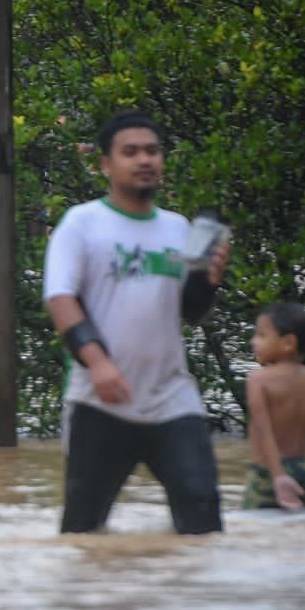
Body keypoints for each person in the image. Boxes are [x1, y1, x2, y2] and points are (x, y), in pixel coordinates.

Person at [43, 110, 231, 534]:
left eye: (152, 151)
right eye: (130, 152)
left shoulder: (178, 228)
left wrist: (209, 281)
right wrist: (99, 362)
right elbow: (60, 298)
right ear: (106, 165)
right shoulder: (82, 223)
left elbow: (190, 313)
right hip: (100, 401)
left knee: (203, 520)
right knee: (83, 533)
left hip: (171, 399)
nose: (144, 160)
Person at [242, 303, 305, 512]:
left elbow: (263, 431)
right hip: (302, 473)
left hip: (267, 474)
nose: (253, 341)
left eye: (261, 335)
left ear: (288, 343)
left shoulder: (258, 380)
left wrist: (278, 477)